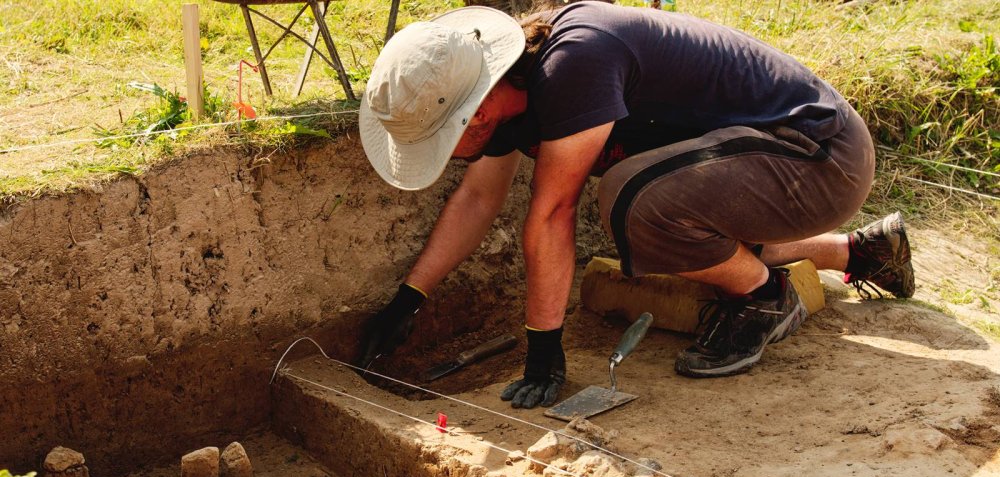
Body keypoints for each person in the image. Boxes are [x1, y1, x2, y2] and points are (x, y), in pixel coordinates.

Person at [356, 2, 914, 408]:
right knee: (664, 209)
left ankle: (765, 297)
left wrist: (544, 347)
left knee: (631, 200)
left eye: (438, 140)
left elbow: (552, 213)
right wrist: (410, 297)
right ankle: (860, 254)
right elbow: (479, 198)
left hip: (819, 156)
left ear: (471, 114)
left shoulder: (573, 63)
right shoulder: (510, 95)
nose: (444, 155)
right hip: (763, 166)